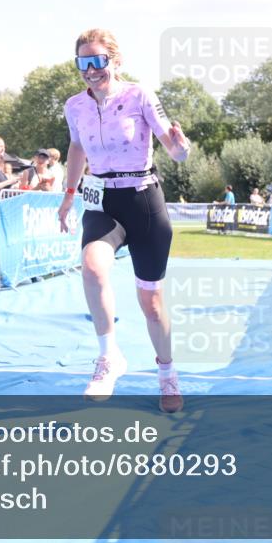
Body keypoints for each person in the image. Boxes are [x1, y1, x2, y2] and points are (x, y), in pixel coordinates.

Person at [57, 28, 192, 413]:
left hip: (143, 200)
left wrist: (181, 149)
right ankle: (109, 356)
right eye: (83, 62)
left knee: (152, 303)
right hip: (102, 200)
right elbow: (76, 147)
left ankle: (167, 373)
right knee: (92, 268)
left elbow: (174, 149)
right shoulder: (74, 106)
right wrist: (69, 194)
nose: (91, 69)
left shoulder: (140, 95)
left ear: (116, 61)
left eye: (98, 60)